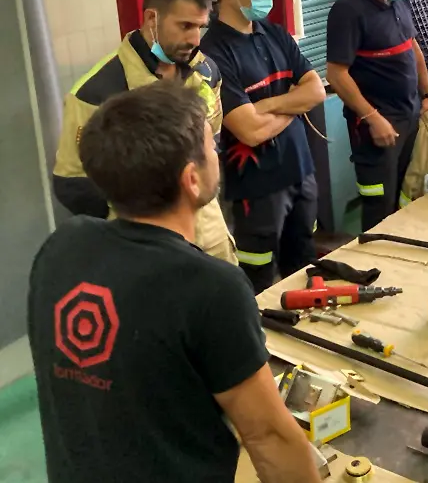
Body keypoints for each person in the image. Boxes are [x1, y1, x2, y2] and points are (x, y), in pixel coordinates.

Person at [29, 82, 321, 483]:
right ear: (191, 179)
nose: (217, 151)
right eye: (210, 144)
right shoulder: (209, 286)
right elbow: (269, 436)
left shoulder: (60, 248)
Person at [52, 0, 236, 264]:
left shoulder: (205, 72)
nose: (194, 39)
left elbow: (210, 148)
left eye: (200, 28)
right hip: (144, 253)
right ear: (152, 19)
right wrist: (139, 214)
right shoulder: (97, 92)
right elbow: (72, 183)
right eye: (185, 26)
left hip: (211, 242)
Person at [200, 0, 326, 293]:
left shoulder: (275, 35)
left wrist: (269, 105)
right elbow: (249, 130)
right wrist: (293, 105)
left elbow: (316, 92)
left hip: (301, 172)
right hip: (257, 190)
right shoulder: (212, 53)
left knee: (304, 270)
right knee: (258, 284)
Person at [326, 0, 428, 232]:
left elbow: (413, 48)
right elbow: (336, 74)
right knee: (378, 203)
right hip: (376, 127)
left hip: (409, 116)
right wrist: (372, 117)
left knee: (403, 192)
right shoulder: (348, 10)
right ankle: (376, 266)